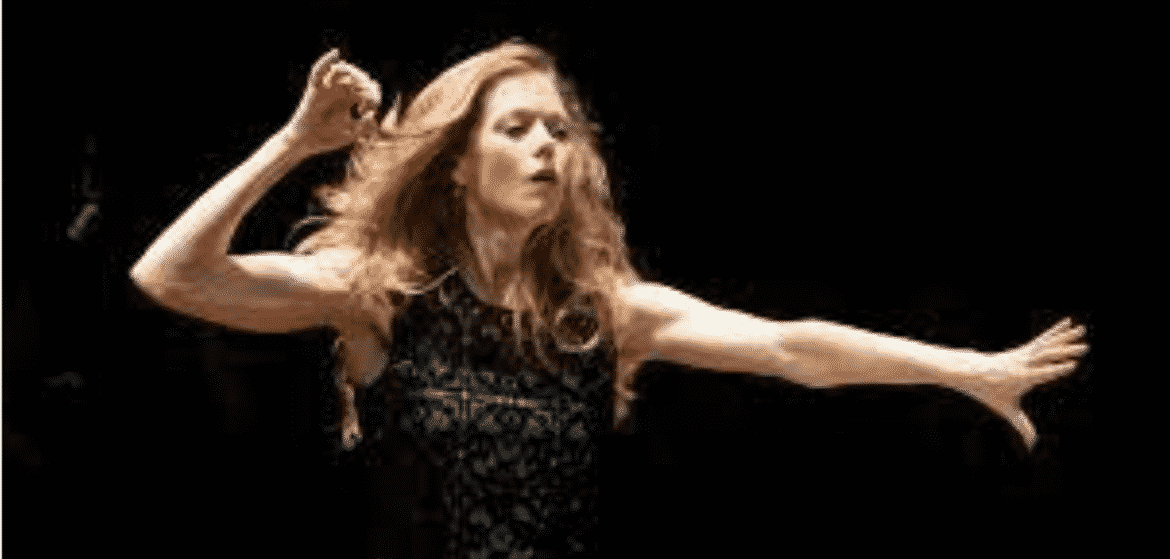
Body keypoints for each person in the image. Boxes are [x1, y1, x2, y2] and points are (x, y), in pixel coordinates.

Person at [130, 38, 1090, 558]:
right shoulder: (382, 294)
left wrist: (966, 369)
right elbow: (168, 275)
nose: (547, 145)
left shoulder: (601, 313)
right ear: (457, 162)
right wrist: (295, 143)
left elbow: (793, 347)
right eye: (516, 127)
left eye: (558, 129)